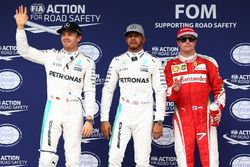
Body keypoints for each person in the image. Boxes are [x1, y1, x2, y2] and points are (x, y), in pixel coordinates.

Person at [15, 5, 96, 167]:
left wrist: (89, 119)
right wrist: (20, 28)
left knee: (73, 159)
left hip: (74, 111)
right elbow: (24, 51)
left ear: (79, 38)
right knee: (46, 158)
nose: (66, 37)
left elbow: (89, 91)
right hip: (54, 107)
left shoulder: (88, 62)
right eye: (63, 34)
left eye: (70, 34)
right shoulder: (51, 56)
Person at [100, 23, 167, 167]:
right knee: (114, 158)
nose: (133, 39)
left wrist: (159, 120)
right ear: (126, 39)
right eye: (130, 36)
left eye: (136, 36)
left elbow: (160, 91)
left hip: (145, 114)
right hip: (124, 112)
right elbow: (107, 89)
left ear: (143, 39)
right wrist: (104, 118)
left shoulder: (154, 61)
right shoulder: (117, 61)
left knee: (143, 161)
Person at [164, 27, 226, 167]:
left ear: (195, 41)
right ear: (178, 42)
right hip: (182, 116)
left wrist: (218, 107)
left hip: (205, 115)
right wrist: (175, 90)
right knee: (184, 161)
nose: (187, 41)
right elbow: (168, 96)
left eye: (191, 38)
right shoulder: (169, 65)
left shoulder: (208, 62)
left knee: (211, 161)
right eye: (183, 39)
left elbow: (220, 89)